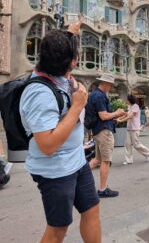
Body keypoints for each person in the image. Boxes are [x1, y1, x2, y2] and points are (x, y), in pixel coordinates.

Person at [19, 18, 101, 242]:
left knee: (92, 209)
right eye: (77, 55)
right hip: (55, 169)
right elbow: (47, 145)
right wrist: (77, 107)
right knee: (58, 228)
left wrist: (72, 31)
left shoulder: (55, 67)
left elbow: (64, 41)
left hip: (76, 160)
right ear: (72, 63)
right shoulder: (39, 93)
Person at [88, 74, 125, 198]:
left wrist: (115, 118)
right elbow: (103, 116)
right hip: (104, 132)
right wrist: (117, 112)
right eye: (110, 84)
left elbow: (101, 117)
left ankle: (78, 177)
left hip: (98, 130)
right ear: (104, 83)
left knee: (97, 160)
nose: (110, 87)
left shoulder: (94, 94)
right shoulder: (99, 96)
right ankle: (102, 189)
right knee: (106, 161)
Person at [116, 95, 149, 165]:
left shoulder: (136, 106)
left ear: (130, 100)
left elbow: (130, 116)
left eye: (127, 100)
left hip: (135, 128)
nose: (127, 101)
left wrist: (121, 121)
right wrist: (120, 118)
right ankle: (128, 160)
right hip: (129, 128)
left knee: (136, 144)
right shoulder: (129, 106)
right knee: (127, 144)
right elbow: (127, 114)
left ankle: (147, 153)